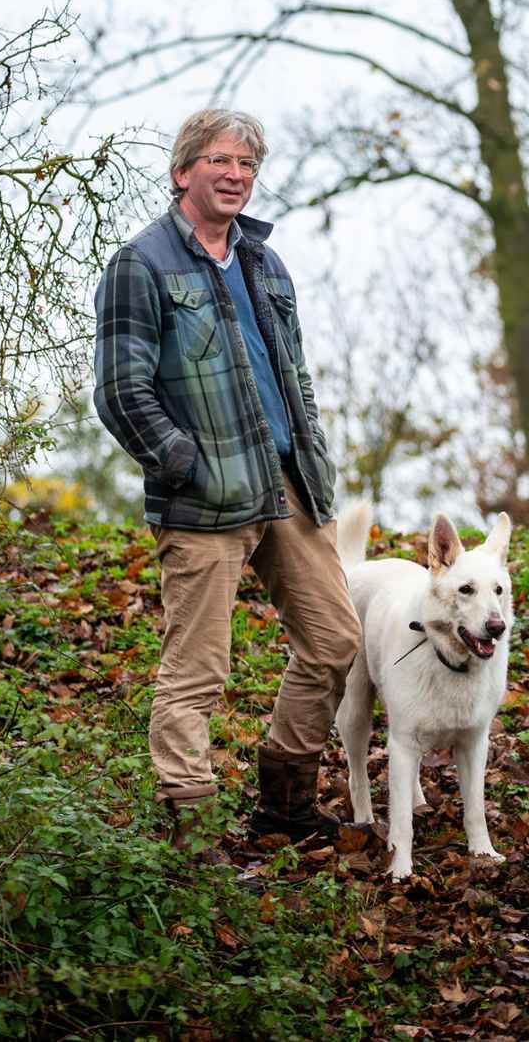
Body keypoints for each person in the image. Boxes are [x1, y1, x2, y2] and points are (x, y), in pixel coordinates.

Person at [93, 108, 362, 851]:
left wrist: (312, 449)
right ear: (184, 170)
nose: (236, 175)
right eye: (220, 160)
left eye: (247, 163)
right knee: (196, 673)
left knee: (336, 640)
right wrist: (186, 464)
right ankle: (195, 833)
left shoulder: (265, 263)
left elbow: (296, 373)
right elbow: (121, 390)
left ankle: (284, 804)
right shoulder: (141, 264)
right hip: (203, 500)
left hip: (289, 483)